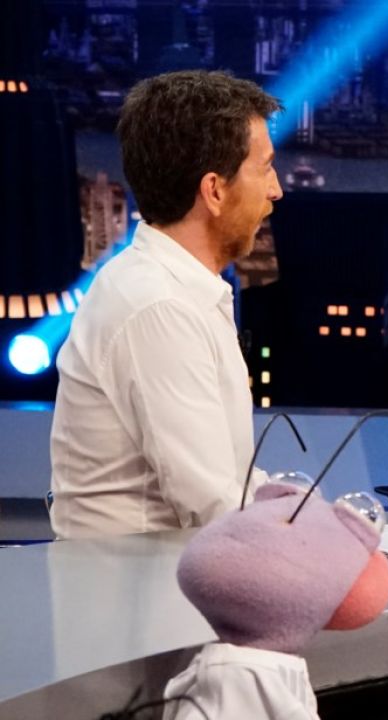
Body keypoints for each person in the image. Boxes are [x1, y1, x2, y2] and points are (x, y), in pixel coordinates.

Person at [49, 71, 282, 538]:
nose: (275, 189)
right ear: (214, 191)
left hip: (168, 569)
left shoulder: (175, 287)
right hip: (137, 579)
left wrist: (317, 514)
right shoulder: (159, 306)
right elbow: (214, 505)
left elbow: (231, 482)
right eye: (265, 168)